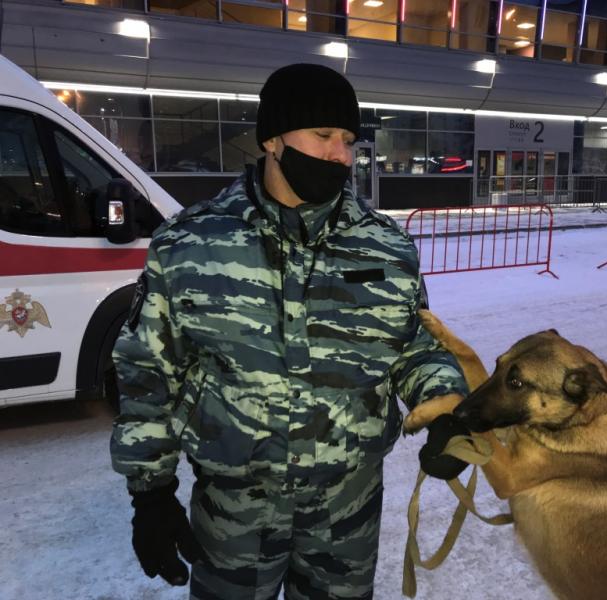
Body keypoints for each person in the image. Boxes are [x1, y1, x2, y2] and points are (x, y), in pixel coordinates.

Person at [110, 63, 467, 600]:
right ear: (272, 139)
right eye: (323, 135)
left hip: (347, 512)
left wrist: (443, 405)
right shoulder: (190, 242)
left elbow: (414, 346)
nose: (340, 155)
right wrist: (151, 495)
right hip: (233, 509)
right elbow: (147, 374)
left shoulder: (385, 245)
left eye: (348, 140)